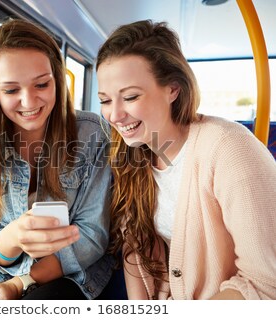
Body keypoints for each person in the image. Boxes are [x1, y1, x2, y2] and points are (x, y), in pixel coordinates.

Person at [96, 20, 276, 299]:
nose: (115, 115)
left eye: (130, 96)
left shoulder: (229, 149)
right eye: (105, 100)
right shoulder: (132, 154)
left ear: (173, 89)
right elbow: (136, 246)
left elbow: (266, 283)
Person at [0, 19, 112, 300]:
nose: (29, 101)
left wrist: (22, 282)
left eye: (42, 84)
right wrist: (13, 236)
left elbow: (92, 236)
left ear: (57, 80)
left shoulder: (92, 133)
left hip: (72, 268)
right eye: (11, 90)